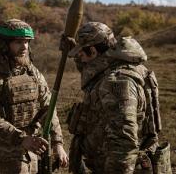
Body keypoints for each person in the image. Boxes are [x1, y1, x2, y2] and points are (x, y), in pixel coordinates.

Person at [65, 22, 170, 173]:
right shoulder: (121, 64)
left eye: (81, 53)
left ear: (93, 51)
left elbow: (123, 144)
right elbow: (92, 68)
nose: (80, 59)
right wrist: (73, 48)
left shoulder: (117, 82)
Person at [0, 19, 69, 174]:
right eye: (19, 42)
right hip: (6, 146)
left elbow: (48, 107)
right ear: (4, 45)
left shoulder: (31, 71)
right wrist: (21, 139)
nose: (25, 47)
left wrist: (57, 143)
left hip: (33, 143)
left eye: (27, 42)